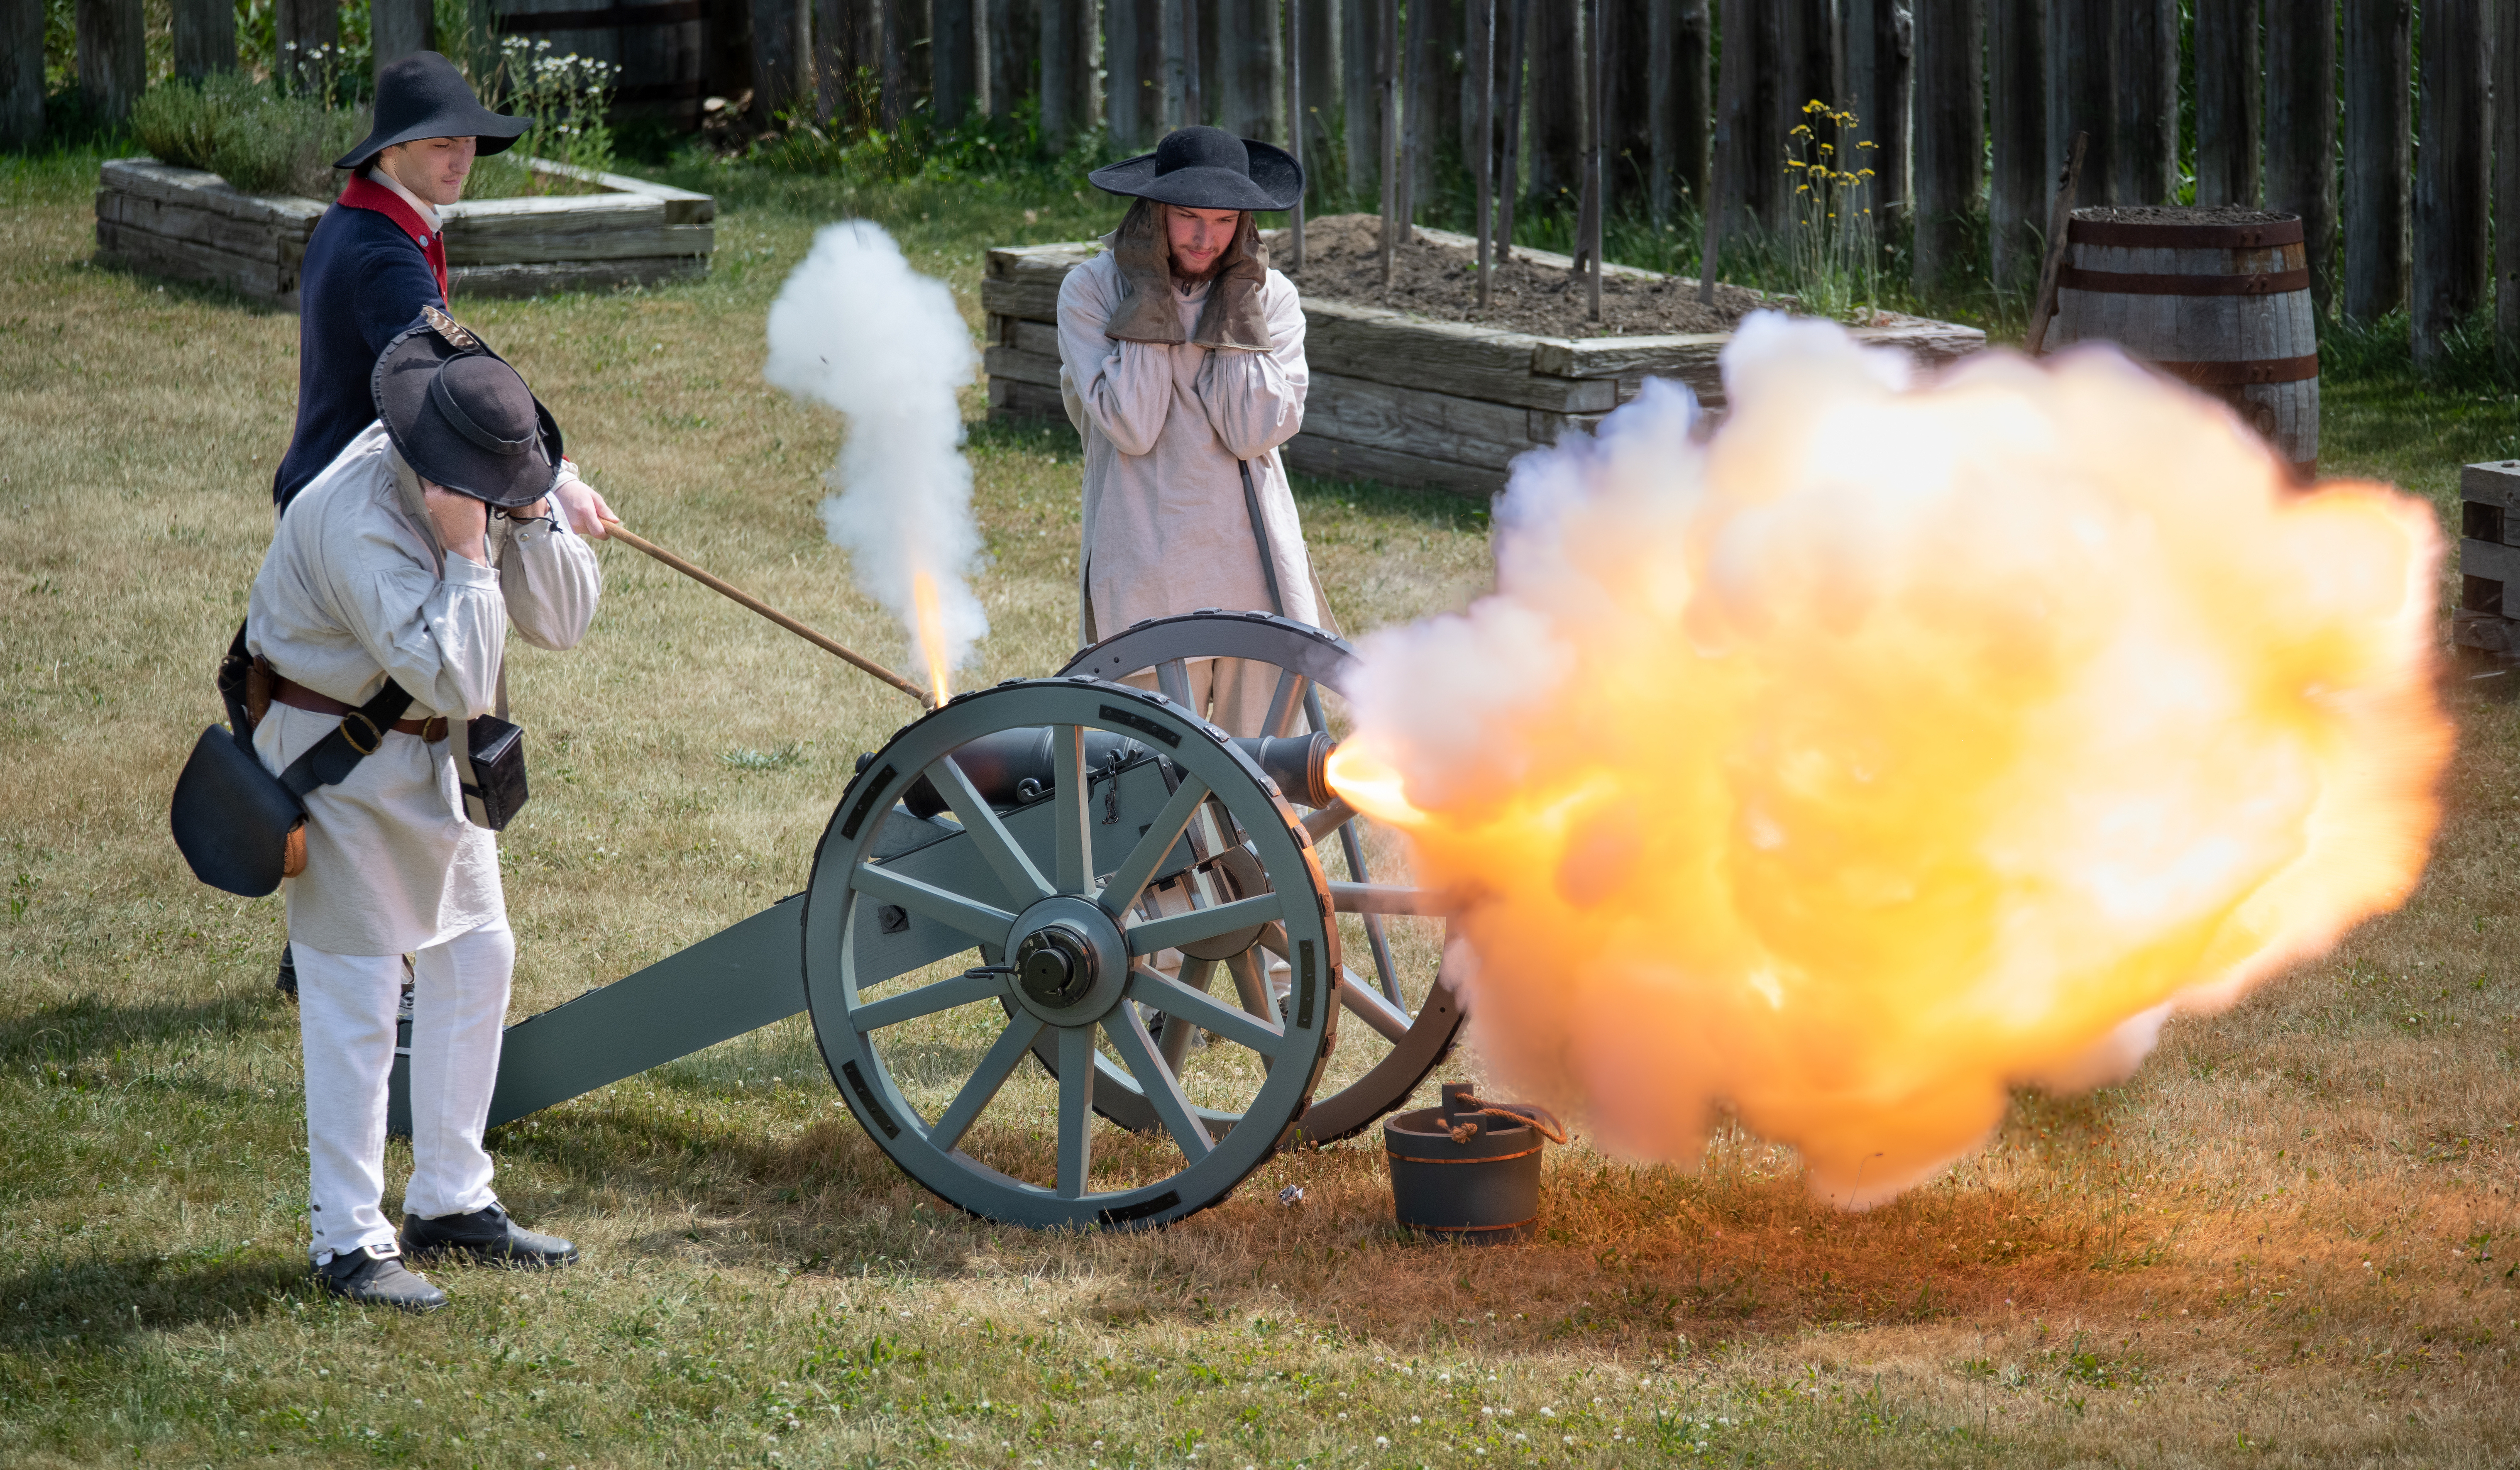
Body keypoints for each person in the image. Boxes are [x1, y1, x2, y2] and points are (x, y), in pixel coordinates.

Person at [248, 310, 601, 1311]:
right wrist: (472, 554)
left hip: (424, 757)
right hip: (338, 764)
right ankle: (346, 1241)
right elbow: (458, 675)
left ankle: (449, 1200)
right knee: (357, 994)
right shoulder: (359, 518)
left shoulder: (477, 488)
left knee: (478, 953)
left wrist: (535, 512)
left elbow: (563, 624)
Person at [268, 51, 611, 1002]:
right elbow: (456, 386)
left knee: (381, 715)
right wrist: (554, 480)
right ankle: (370, 939)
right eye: (441, 140)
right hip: (368, 517)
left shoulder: (379, 225)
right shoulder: (380, 254)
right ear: (394, 149)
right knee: (385, 722)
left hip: (374, 502)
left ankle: (347, 935)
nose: (462, 155)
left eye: (470, 140)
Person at [1056, 125, 1332, 735]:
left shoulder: (1271, 297)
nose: (1207, 238)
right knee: (1145, 787)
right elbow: (1133, 423)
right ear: (1154, 210)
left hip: (1254, 572)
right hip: (1144, 563)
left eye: (1226, 220)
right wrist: (1150, 295)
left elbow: (1253, 430)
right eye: (1187, 217)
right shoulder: (1092, 291)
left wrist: (1235, 308)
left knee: (1261, 784)